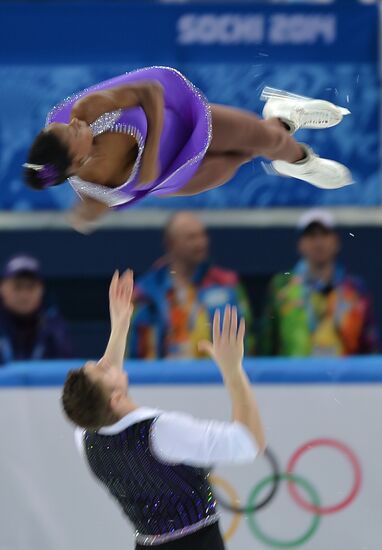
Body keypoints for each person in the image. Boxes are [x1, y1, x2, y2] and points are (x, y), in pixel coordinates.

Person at [61, 269, 265, 550]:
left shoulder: (86, 437)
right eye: (101, 369)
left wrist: (120, 324)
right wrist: (233, 372)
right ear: (117, 399)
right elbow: (250, 442)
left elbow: (100, 392)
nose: (104, 361)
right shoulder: (162, 432)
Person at [23, 67, 351, 232]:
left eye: (63, 125)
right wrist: (87, 218)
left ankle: (299, 161)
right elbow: (101, 210)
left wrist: (149, 155)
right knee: (240, 157)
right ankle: (282, 121)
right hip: (178, 174)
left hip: (184, 123)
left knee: (267, 142)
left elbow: (150, 90)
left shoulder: (89, 109)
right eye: (70, 133)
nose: (73, 122)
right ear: (76, 161)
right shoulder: (92, 193)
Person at [129, 211, 254, 358]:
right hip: (159, 378)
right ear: (170, 243)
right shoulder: (145, 292)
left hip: (215, 376)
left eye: (203, 235)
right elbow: (130, 346)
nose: (201, 242)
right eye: (191, 237)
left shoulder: (227, 285)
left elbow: (248, 342)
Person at [260, 209, 380, 357]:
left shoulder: (355, 289)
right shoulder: (281, 286)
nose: (318, 242)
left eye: (324, 234)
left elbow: (370, 345)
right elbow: (266, 343)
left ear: (336, 242)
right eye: (311, 235)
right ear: (300, 244)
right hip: (292, 378)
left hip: (347, 378)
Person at [0, 254, 72, 364]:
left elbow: (64, 369)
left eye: (30, 287)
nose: (24, 295)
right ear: (2, 288)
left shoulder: (54, 326)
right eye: (17, 287)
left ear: (41, 290)